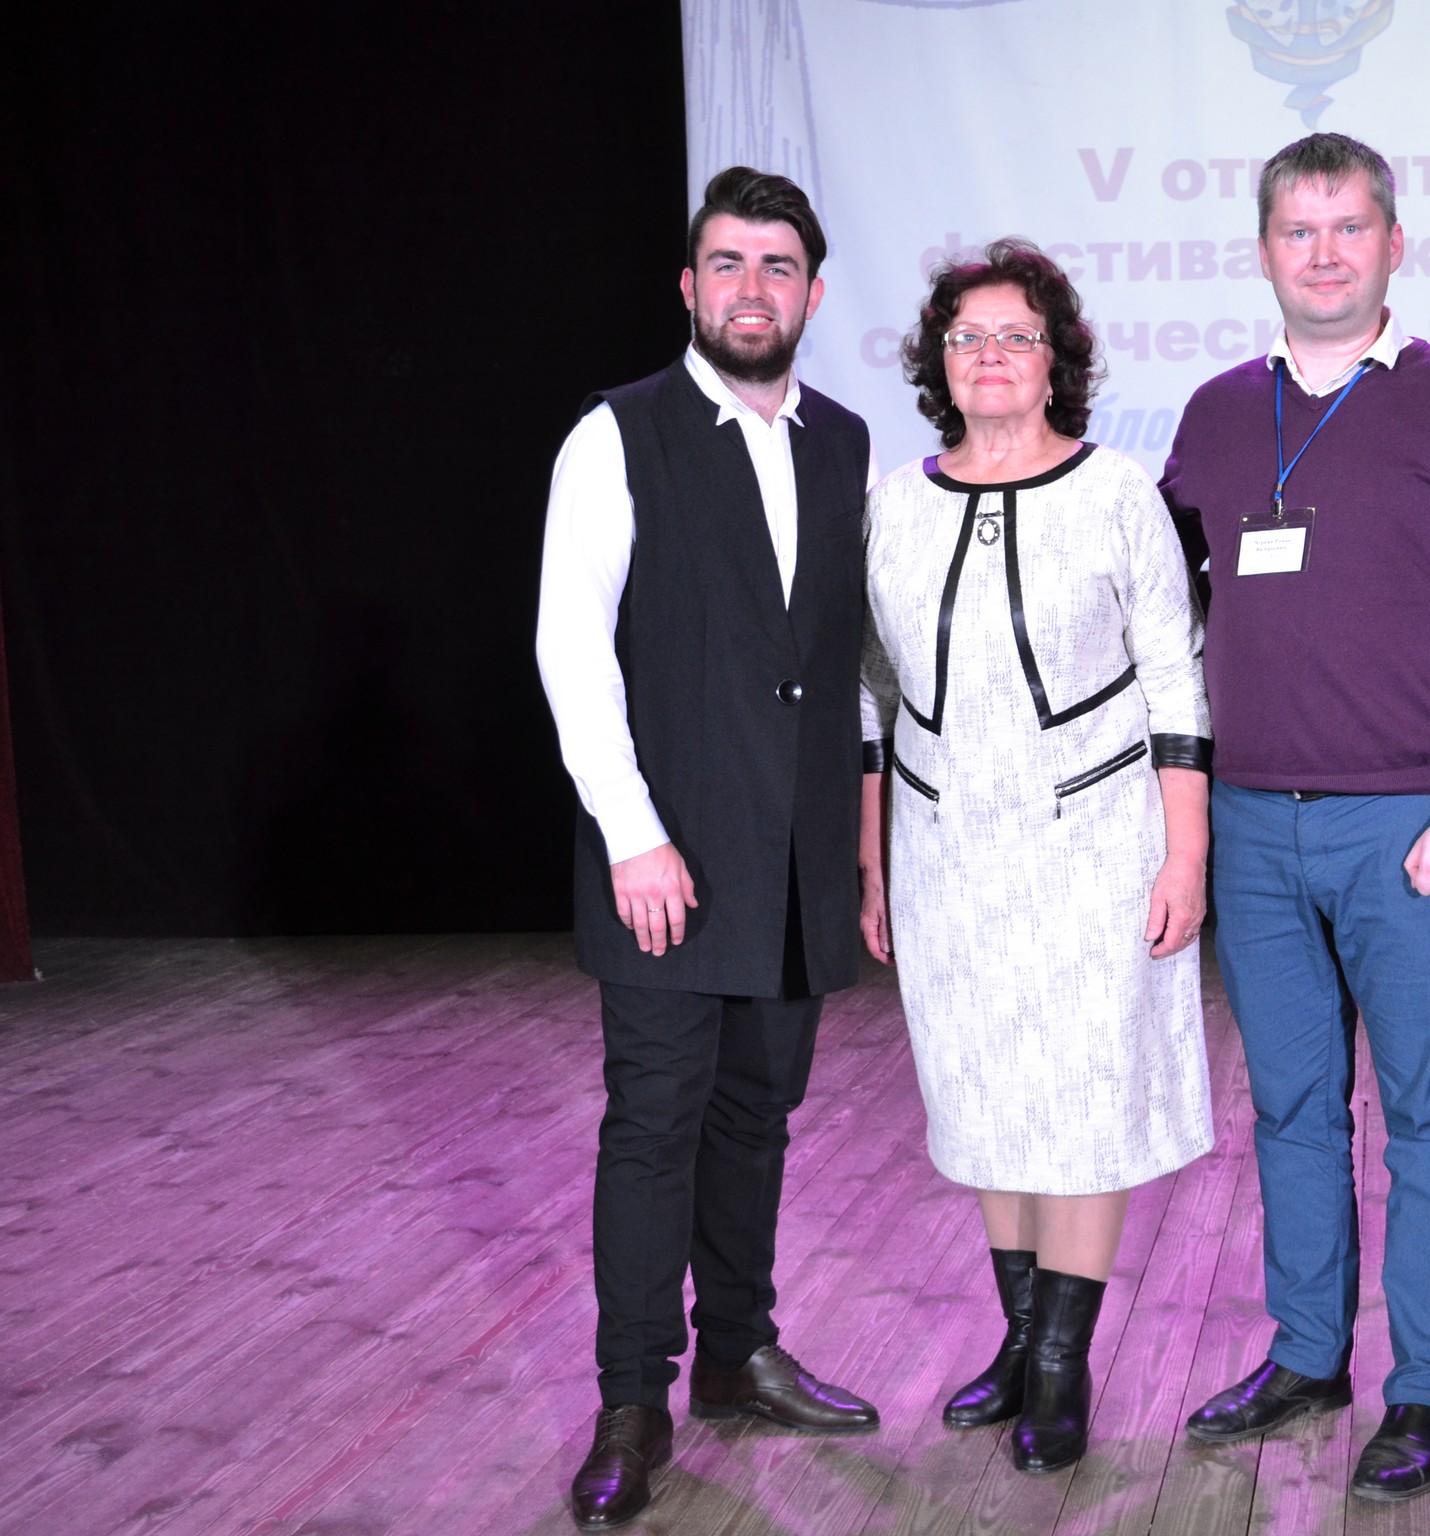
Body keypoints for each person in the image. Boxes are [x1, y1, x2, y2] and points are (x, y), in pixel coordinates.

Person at [1159, 133, 1430, 1503]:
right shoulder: (1214, 414)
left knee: (1429, 1115)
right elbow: (1167, 618)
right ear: (1263, 250)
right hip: (1253, 824)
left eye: (1348, 227)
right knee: (1292, 1110)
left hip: (1409, 827)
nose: (1323, 253)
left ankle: (1428, 1390)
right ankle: (1308, 1354)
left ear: (1395, 244)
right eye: (1298, 229)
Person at [536, 166, 881, 1533]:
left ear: (813, 292)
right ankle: (634, 1400)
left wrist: (860, 843)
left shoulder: (846, 442)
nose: (752, 288)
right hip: (666, 862)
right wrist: (632, 834)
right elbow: (572, 647)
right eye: (727, 264)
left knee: (756, 1119)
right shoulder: (616, 434)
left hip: (793, 860)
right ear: (689, 287)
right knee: (655, 1126)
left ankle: (738, 1353)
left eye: (777, 266)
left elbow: (846, 663)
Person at [857, 238, 1215, 1475]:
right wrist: (872, 862)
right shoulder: (892, 505)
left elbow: (1176, 679)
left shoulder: (1117, 493)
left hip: (1096, 842)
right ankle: (1017, 1342)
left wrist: (1185, 855)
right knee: (985, 1093)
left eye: (1018, 335)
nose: (992, 356)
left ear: (1058, 359)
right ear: (937, 362)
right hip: (943, 846)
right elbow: (872, 695)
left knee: (1081, 1098)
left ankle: (1062, 1367)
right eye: (968, 337)